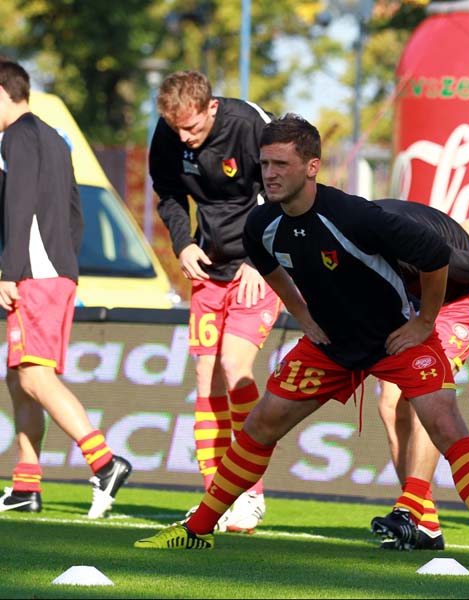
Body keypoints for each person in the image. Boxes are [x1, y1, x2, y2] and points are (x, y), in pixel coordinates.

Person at [134, 114, 469, 573]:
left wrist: (425, 322)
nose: (269, 174)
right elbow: (268, 266)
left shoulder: (357, 217)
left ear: (312, 167)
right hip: (333, 343)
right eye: (265, 164)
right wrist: (302, 316)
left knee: (445, 425)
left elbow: (436, 257)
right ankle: (197, 531)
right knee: (260, 424)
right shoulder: (261, 224)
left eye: (281, 164)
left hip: (397, 335)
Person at [149, 70, 283, 532]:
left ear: (211, 108)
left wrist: (260, 260)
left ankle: (251, 493)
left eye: (192, 128)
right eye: (176, 129)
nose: (184, 138)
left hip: (259, 269)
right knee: (207, 381)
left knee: (234, 366)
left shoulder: (250, 124)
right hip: (208, 270)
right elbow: (168, 193)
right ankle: (216, 498)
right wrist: (183, 244)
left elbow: (282, 194)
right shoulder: (170, 134)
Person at [0, 59, 132, 518]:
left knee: (34, 376)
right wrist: (64, 264)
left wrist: (10, 271)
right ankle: (26, 485)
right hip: (56, 271)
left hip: (34, 274)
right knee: (19, 378)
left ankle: (105, 463)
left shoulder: (15, 137)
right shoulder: (55, 137)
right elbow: (76, 211)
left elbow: (18, 206)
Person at [369, 199, 469, 551]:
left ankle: (409, 510)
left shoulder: (401, 238)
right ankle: (424, 525)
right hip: (413, 298)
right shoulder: (337, 235)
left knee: (425, 398)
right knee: (389, 404)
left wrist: (467, 241)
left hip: (462, 292)